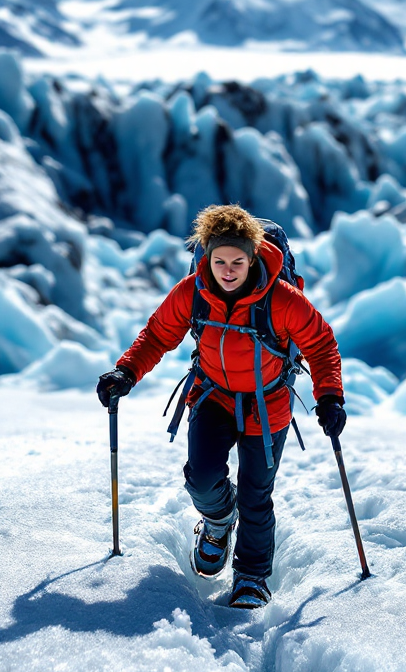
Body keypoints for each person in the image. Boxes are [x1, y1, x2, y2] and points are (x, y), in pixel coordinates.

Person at [96, 205, 346, 609]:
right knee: (202, 477)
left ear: (252, 258)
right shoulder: (193, 292)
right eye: (219, 261)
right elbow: (159, 334)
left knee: (255, 495)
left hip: (269, 405)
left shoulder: (282, 299)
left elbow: (320, 344)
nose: (228, 270)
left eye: (237, 261)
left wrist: (330, 396)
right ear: (206, 258)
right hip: (214, 396)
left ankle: (251, 577)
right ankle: (217, 522)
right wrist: (125, 372)